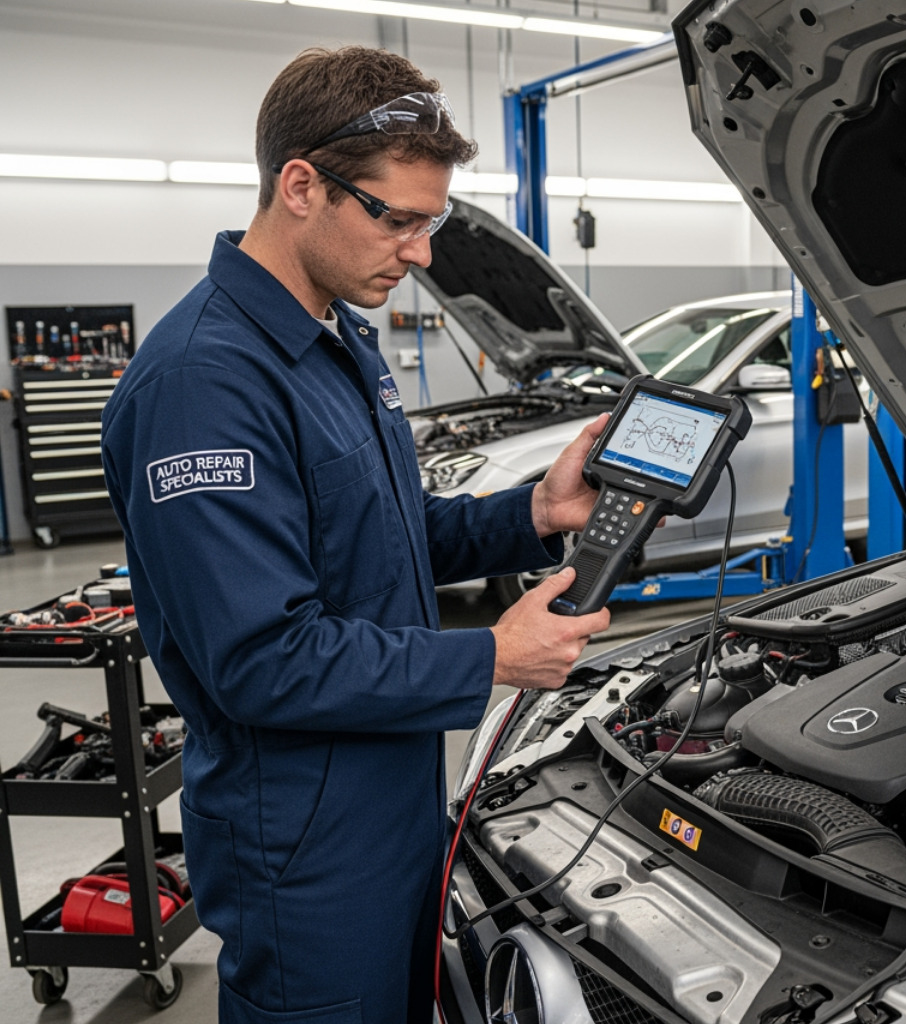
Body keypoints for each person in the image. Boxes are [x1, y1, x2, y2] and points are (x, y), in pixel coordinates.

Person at [100, 46, 611, 1023]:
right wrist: (493, 655)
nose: (420, 252)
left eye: (433, 223)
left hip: (390, 798)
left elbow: (388, 533)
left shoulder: (334, 345)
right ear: (302, 185)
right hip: (302, 845)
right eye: (400, 219)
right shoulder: (202, 385)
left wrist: (532, 514)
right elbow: (262, 658)